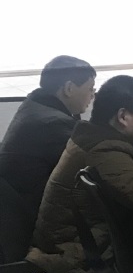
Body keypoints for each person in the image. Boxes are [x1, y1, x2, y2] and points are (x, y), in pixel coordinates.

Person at [28, 75, 133, 273]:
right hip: (82, 259)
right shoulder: (105, 152)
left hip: (75, 248)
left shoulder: (95, 139)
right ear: (123, 117)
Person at [0, 56, 96, 221]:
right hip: (32, 217)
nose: (92, 95)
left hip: (17, 208)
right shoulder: (54, 123)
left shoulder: (34, 106)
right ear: (69, 88)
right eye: (90, 88)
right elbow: (95, 162)